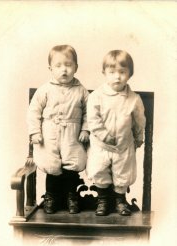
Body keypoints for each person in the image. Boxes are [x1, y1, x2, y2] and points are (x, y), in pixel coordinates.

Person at [27, 45, 89, 214]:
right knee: (51, 165)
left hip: (72, 134)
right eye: (58, 66)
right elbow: (34, 112)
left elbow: (89, 112)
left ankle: (71, 196)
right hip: (49, 134)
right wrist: (35, 132)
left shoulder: (81, 90)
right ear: (50, 69)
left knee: (71, 165)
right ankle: (51, 196)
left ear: (76, 67)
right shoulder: (44, 90)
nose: (64, 70)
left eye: (68, 65)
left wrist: (85, 129)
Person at [86, 50, 146, 216]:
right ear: (104, 73)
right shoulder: (96, 97)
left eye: (122, 72)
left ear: (130, 74)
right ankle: (103, 199)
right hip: (101, 145)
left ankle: (120, 200)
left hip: (123, 144)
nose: (117, 77)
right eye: (112, 72)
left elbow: (139, 121)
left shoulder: (134, 99)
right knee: (99, 170)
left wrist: (139, 137)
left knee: (123, 172)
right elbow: (93, 120)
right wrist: (104, 135)